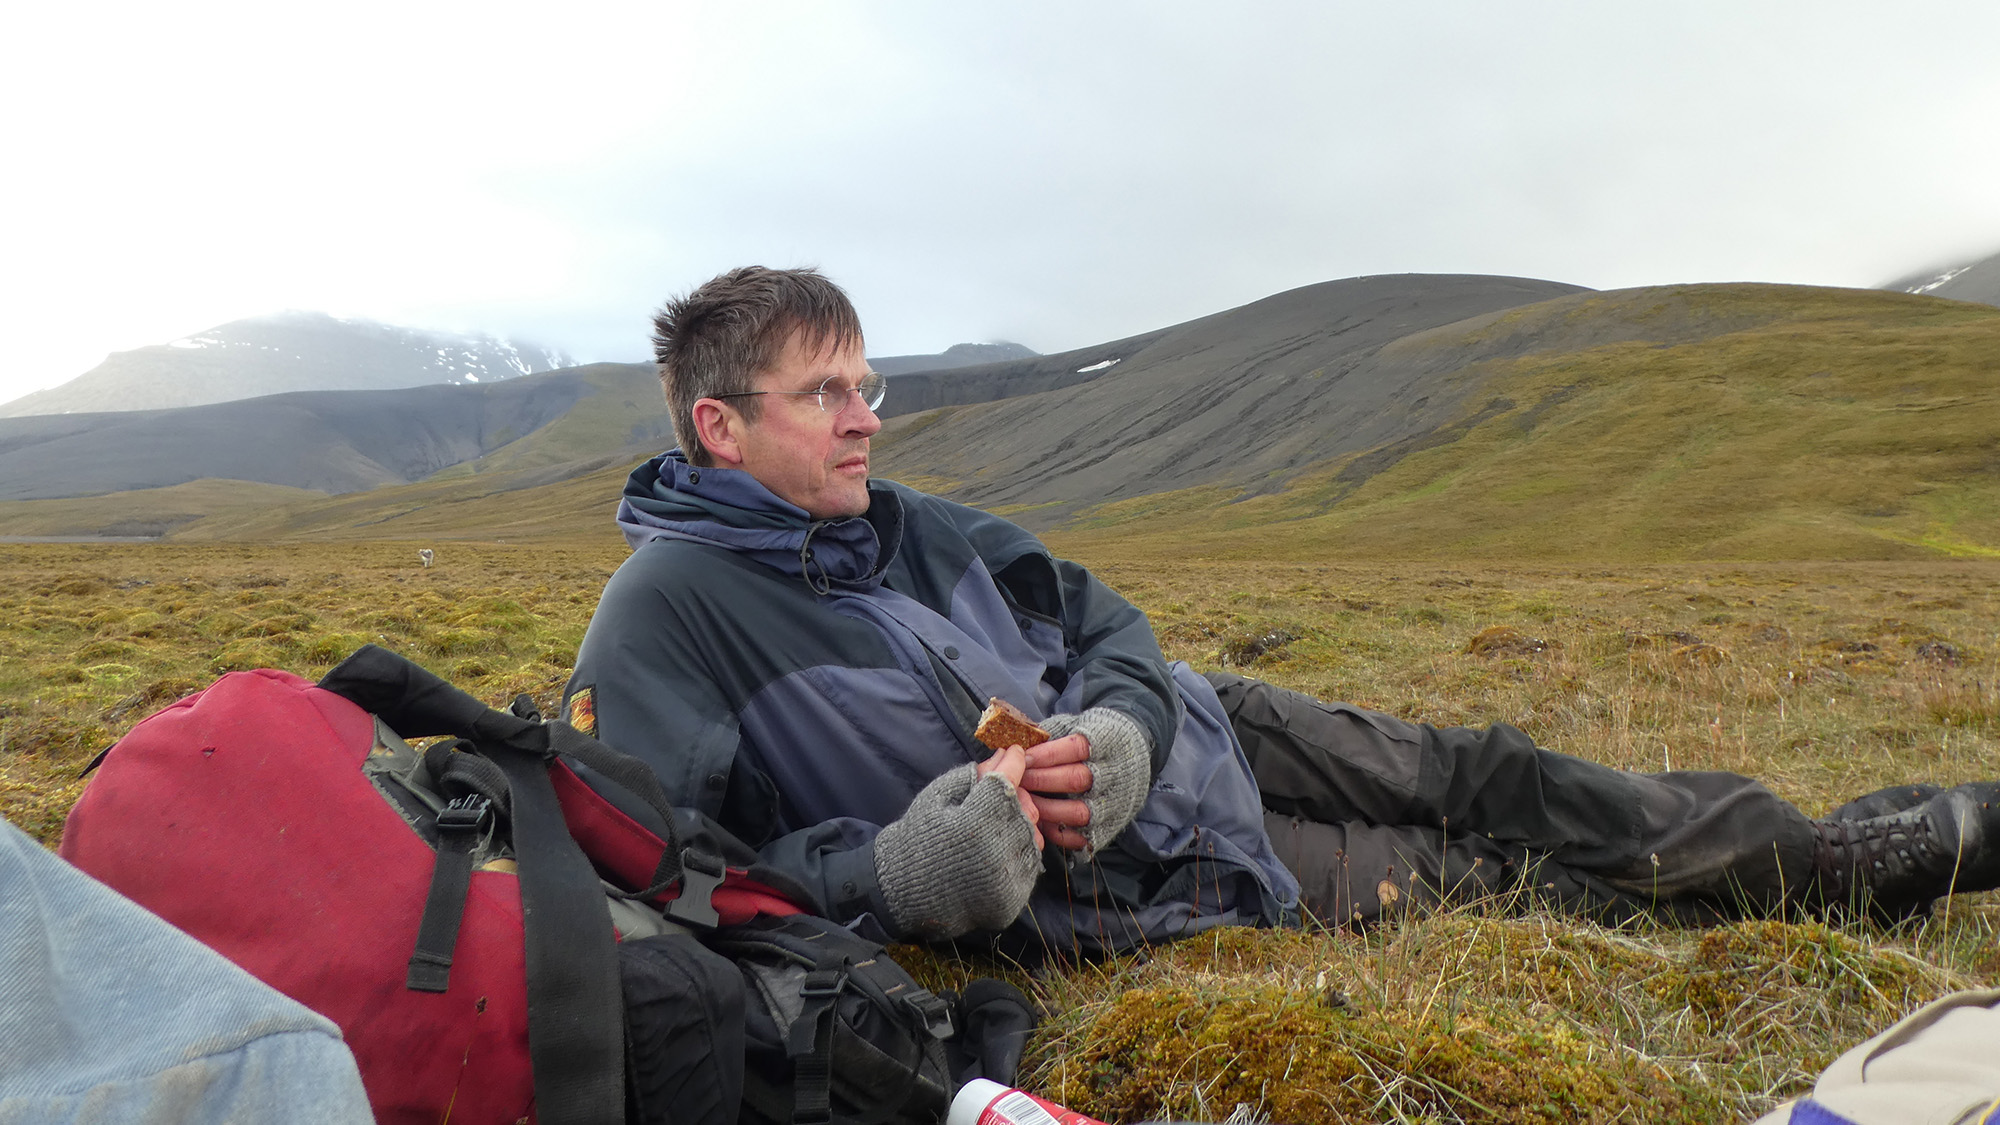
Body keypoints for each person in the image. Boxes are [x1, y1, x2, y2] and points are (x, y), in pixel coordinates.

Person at [563, 265, 2000, 958]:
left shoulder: (906, 521)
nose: (868, 421)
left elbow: (1106, 617)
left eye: (870, 385)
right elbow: (673, 875)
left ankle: (1839, 850)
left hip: (1208, 725)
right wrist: (906, 872)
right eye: (829, 395)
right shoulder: (660, 621)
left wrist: (1122, 728)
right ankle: (1795, 896)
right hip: (1152, 883)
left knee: (1495, 773)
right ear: (720, 425)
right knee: (1488, 886)